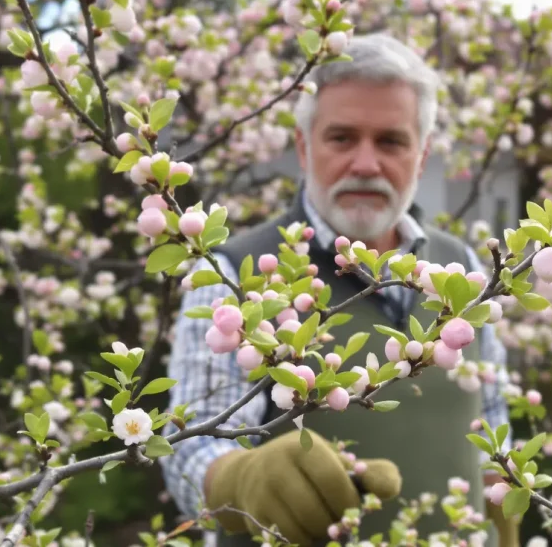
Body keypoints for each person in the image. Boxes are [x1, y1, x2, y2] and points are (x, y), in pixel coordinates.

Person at [158, 33, 517, 547]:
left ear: (421, 155)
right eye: (342, 138)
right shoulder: (233, 273)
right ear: (304, 148)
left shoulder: (460, 266)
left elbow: (492, 421)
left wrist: (502, 512)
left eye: (391, 141)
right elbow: (188, 451)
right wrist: (239, 477)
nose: (366, 164)